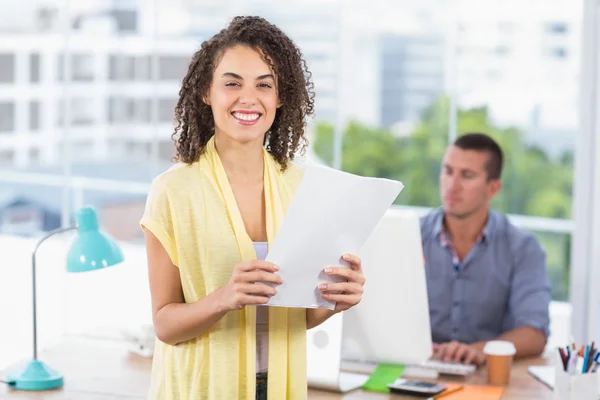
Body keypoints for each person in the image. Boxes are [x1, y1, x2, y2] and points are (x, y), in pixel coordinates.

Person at [139, 16, 366, 400]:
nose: (249, 98)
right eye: (232, 83)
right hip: (202, 388)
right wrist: (224, 298)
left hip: (279, 387)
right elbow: (165, 324)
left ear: (280, 98)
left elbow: (300, 316)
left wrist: (335, 300)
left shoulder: (304, 188)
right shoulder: (172, 191)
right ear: (206, 93)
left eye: (264, 85)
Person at [420, 132, 551, 366]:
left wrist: (479, 350)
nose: (453, 185)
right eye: (448, 171)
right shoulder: (412, 236)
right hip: (419, 368)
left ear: (492, 188)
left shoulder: (523, 248)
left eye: (467, 175)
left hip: (488, 373)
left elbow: (534, 334)